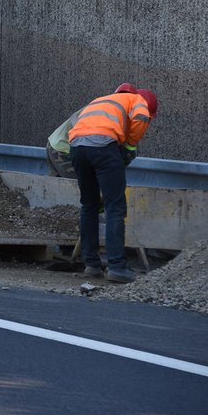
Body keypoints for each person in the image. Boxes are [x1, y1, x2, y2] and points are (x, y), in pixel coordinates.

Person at [68, 87, 158, 284]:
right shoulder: (138, 100)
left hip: (76, 147)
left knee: (89, 205)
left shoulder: (102, 100)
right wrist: (129, 146)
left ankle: (91, 264)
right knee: (115, 207)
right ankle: (117, 267)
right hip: (103, 146)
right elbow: (142, 118)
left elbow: (78, 124)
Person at [46, 83, 136, 179]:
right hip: (63, 149)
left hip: (55, 144)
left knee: (58, 188)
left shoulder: (103, 106)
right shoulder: (110, 115)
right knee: (83, 185)